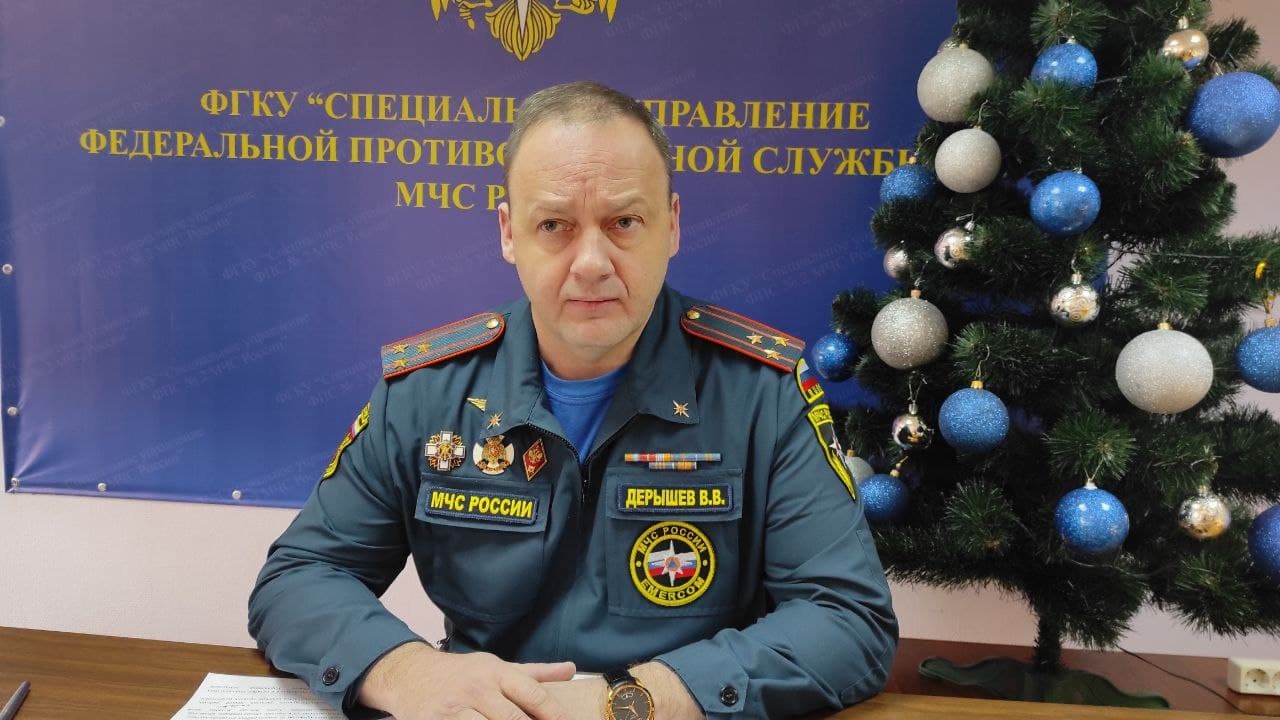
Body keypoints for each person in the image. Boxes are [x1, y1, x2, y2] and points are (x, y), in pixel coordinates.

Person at [248, 80, 897, 720]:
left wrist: (634, 701)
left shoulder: (764, 394)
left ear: (671, 226)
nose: (591, 262)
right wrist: (408, 673)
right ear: (509, 233)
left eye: (624, 222)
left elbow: (848, 620)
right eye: (555, 225)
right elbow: (299, 577)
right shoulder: (426, 393)